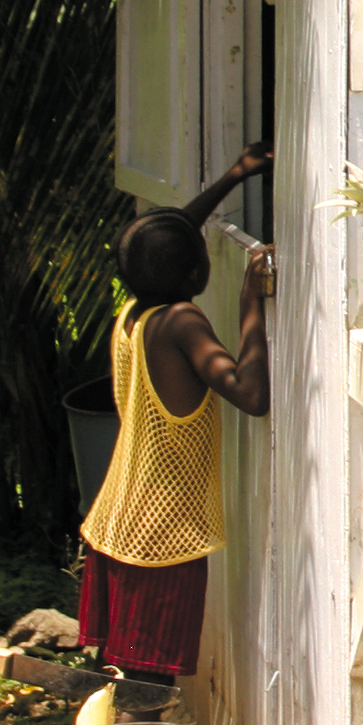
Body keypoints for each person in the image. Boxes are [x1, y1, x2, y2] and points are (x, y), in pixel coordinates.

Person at [80, 143, 273, 684]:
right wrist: (251, 302)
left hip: (118, 519)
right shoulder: (182, 322)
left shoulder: (136, 310)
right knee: (145, 685)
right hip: (162, 536)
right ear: (194, 272)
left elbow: (164, 240)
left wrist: (235, 175)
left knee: (114, 673)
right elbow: (251, 396)